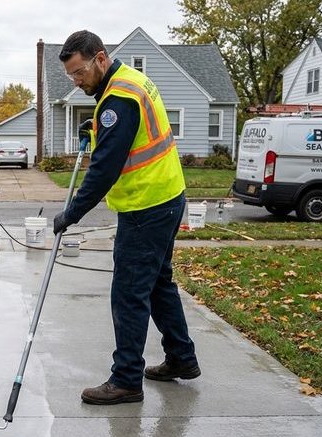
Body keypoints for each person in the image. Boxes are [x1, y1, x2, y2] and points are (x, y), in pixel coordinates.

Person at [54, 30, 199, 405]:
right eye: (71, 75)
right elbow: (124, 136)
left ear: (100, 58)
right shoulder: (129, 83)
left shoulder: (118, 98)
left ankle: (126, 380)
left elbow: (103, 170)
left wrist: (70, 214)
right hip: (166, 196)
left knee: (129, 293)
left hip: (146, 206)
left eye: (80, 71)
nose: (76, 80)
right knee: (157, 284)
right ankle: (182, 358)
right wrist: (98, 130)